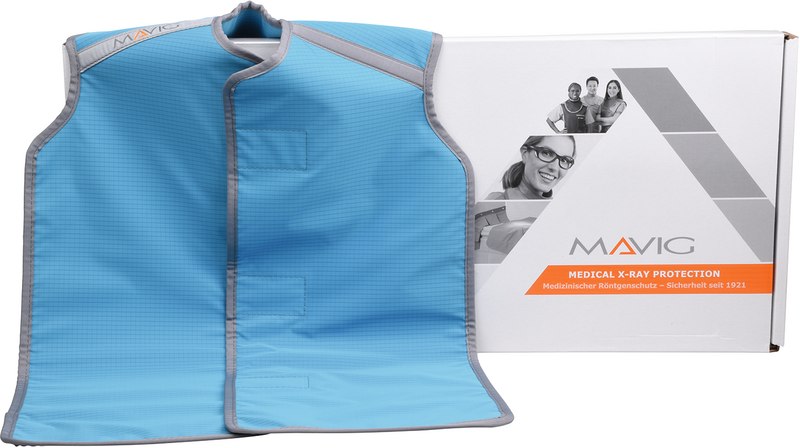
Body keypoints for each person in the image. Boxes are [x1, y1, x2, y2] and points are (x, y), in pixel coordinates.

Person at [487, 135, 576, 200]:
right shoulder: (495, 202)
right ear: (525, 153)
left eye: (564, 160)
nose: (555, 168)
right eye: (546, 153)